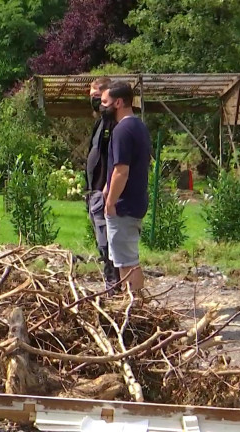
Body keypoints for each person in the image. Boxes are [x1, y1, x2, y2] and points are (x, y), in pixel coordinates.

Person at [100, 81, 151, 292]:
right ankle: (129, 302)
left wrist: (111, 202)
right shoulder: (138, 126)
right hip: (135, 201)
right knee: (123, 259)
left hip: (124, 205)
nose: (102, 107)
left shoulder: (122, 130)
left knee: (127, 261)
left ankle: (135, 306)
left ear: (118, 102)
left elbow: (122, 170)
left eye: (105, 102)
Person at [85, 76, 120, 292]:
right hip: (94, 192)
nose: (95, 102)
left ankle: (114, 287)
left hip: (104, 192)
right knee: (102, 242)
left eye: (98, 98)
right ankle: (111, 284)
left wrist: (108, 190)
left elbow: (118, 163)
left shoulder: (114, 125)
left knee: (108, 243)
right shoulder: (100, 123)